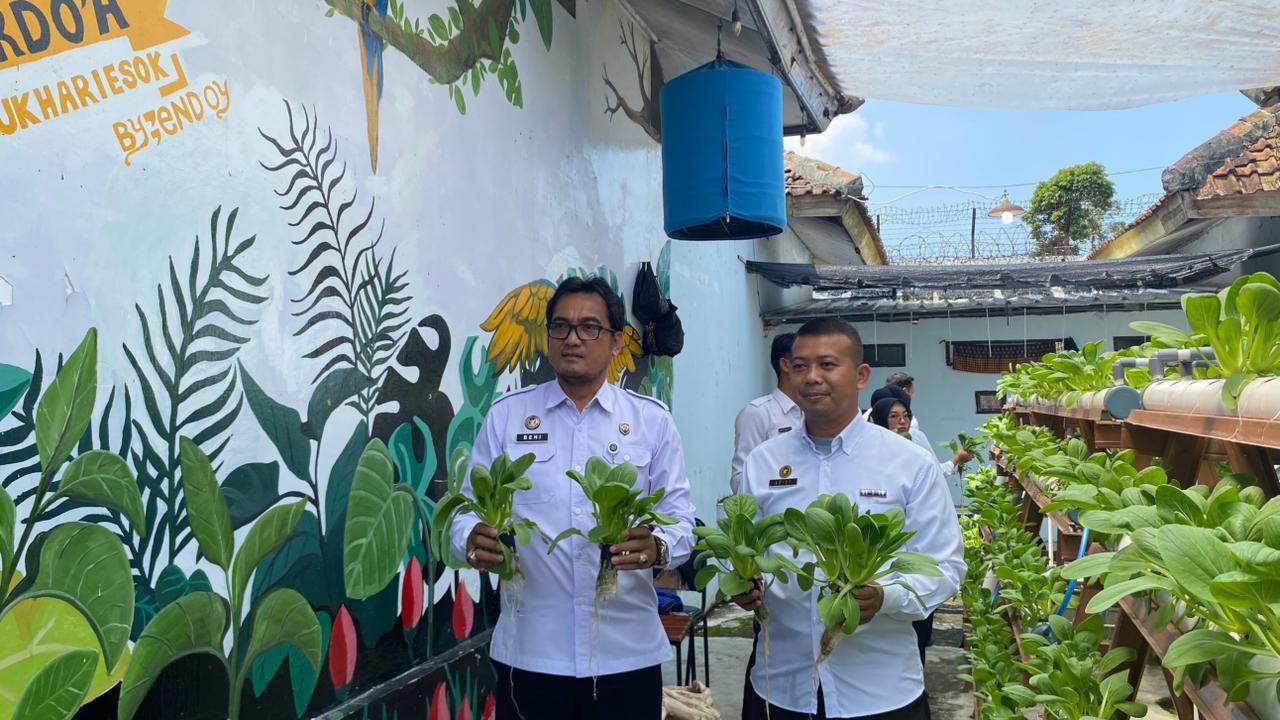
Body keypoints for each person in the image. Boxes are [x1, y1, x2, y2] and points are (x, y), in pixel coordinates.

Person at [449, 275, 695, 720]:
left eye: (589, 327)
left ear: (616, 342)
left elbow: (680, 521)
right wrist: (470, 537)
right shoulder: (508, 416)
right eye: (560, 326)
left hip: (625, 655)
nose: (573, 338)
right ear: (548, 338)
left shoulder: (651, 422)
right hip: (531, 655)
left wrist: (658, 547)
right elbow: (467, 510)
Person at [735, 318, 966, 720]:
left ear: (861, 376)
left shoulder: (909, 462)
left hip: (880, 693)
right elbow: (744, 546)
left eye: (827, 364)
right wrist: (742, 581)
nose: (811, 377)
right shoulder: (764, 461)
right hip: (781, 687)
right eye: (800, 366)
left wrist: (884, 596)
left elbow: (945, 566)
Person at [868, 395, 940, 670]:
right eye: (894, 417)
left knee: (918, 620)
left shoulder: (917, 451)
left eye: (906, 416)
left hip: (915, 550)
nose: (902, 422)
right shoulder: (870, 457)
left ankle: (917, 674)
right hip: (883, 559)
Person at [729, 333, 803, 494]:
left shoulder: (813, 413)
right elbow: (740, 479)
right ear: (785, 365)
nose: (813, 371)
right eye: (803, 364)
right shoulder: (758, 413)